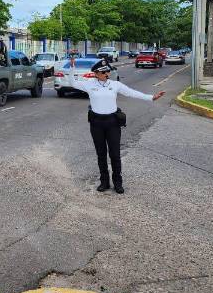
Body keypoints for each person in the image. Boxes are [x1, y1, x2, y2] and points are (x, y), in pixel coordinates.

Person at [69, 56, 165, 193]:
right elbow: (73, 82)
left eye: (107, 72)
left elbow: (131, 93)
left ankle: (118, 183)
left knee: (115, 154)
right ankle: (104, 182)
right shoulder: (89, 84)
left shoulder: (115, 85)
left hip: (112, 122)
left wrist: (151, 97)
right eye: (103, 72)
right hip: (96, 123)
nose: (106, 74)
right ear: (96, 73)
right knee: (101, 154)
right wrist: (72, 67)